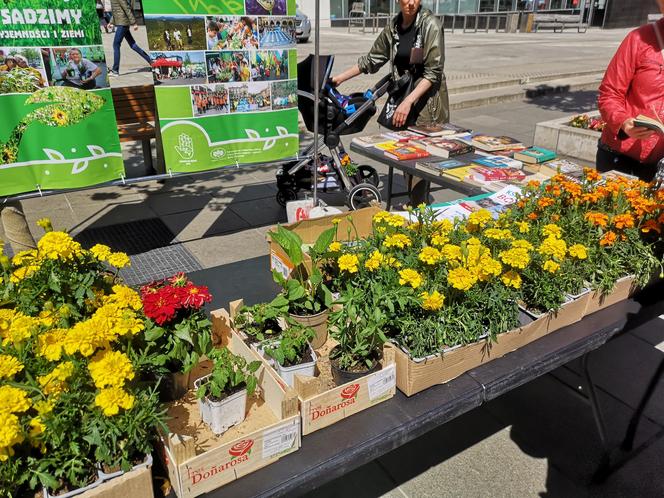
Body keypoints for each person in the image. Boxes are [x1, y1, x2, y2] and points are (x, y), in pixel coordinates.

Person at [331, 0, 448, 206]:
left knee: (421, 159)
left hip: (426, 104)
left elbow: (434, 73)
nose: (411, 3)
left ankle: (418, 209)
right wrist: (339, 78)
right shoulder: (393, 27)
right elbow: (372, 59)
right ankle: (415, 205)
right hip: (404, 97)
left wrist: (408, 102)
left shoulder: (431, 25)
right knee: (406, 154)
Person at [597, 0, 664, 182]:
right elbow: (609, 93)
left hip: (659, 164)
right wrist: (624, 122)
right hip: (620, 156)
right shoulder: (639, 39)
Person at [108, 0, 152, 76]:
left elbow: (127, 9)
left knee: (116, 45)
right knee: (133, 45)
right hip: (121, 23)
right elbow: (116, 11)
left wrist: (134, 23)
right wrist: (111, 22)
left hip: (123, 24)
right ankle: (151, 62)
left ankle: (115, 70)